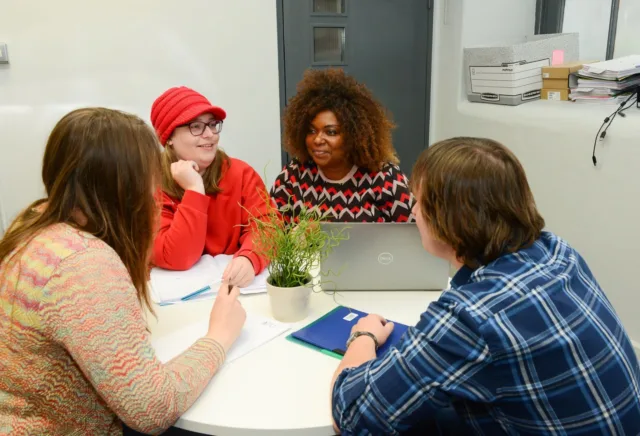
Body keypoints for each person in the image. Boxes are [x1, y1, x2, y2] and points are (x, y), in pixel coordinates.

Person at [330, 137, 640, 435]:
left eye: (418, 203)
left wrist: (364, 335)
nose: (412, 213)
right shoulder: (558, 251)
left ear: (448, 220)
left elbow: (351, 413)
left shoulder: (471, 317)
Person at [0, 108, 247, 435]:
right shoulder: (83, 263)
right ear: (124, 186)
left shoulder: (34, 220)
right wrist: (220, 336)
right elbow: (153, 409)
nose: (156, 187)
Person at [150, 86, 269, 287]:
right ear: (169, 137)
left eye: (212, 124)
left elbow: (267, 227)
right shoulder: (151, 183)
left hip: (233, 292)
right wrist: (194, 190)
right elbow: (177, 257)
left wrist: (250, 258)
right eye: (195, 126)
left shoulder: (241, 173)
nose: (210, 134)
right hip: (176, 303)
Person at [270, 68, 414, 223]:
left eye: (331, 132)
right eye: (311, 130)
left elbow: (412, 234)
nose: (317, 139)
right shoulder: (293, 175)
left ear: (355, 136)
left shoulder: (385, 178)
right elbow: (269, 231)